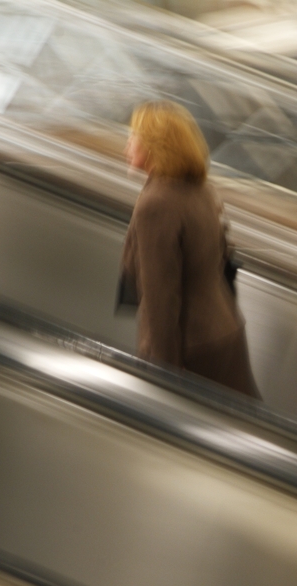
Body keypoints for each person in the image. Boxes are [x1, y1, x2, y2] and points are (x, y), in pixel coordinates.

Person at [119, 100, 259, 398]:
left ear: (157, 146)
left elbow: (161, 300)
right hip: (225, 330)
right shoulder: (202, 190)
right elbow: (222, 255)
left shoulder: (157, 204)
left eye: (134, 137)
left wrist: (163, 378)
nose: (127, 145)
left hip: (192, 348)